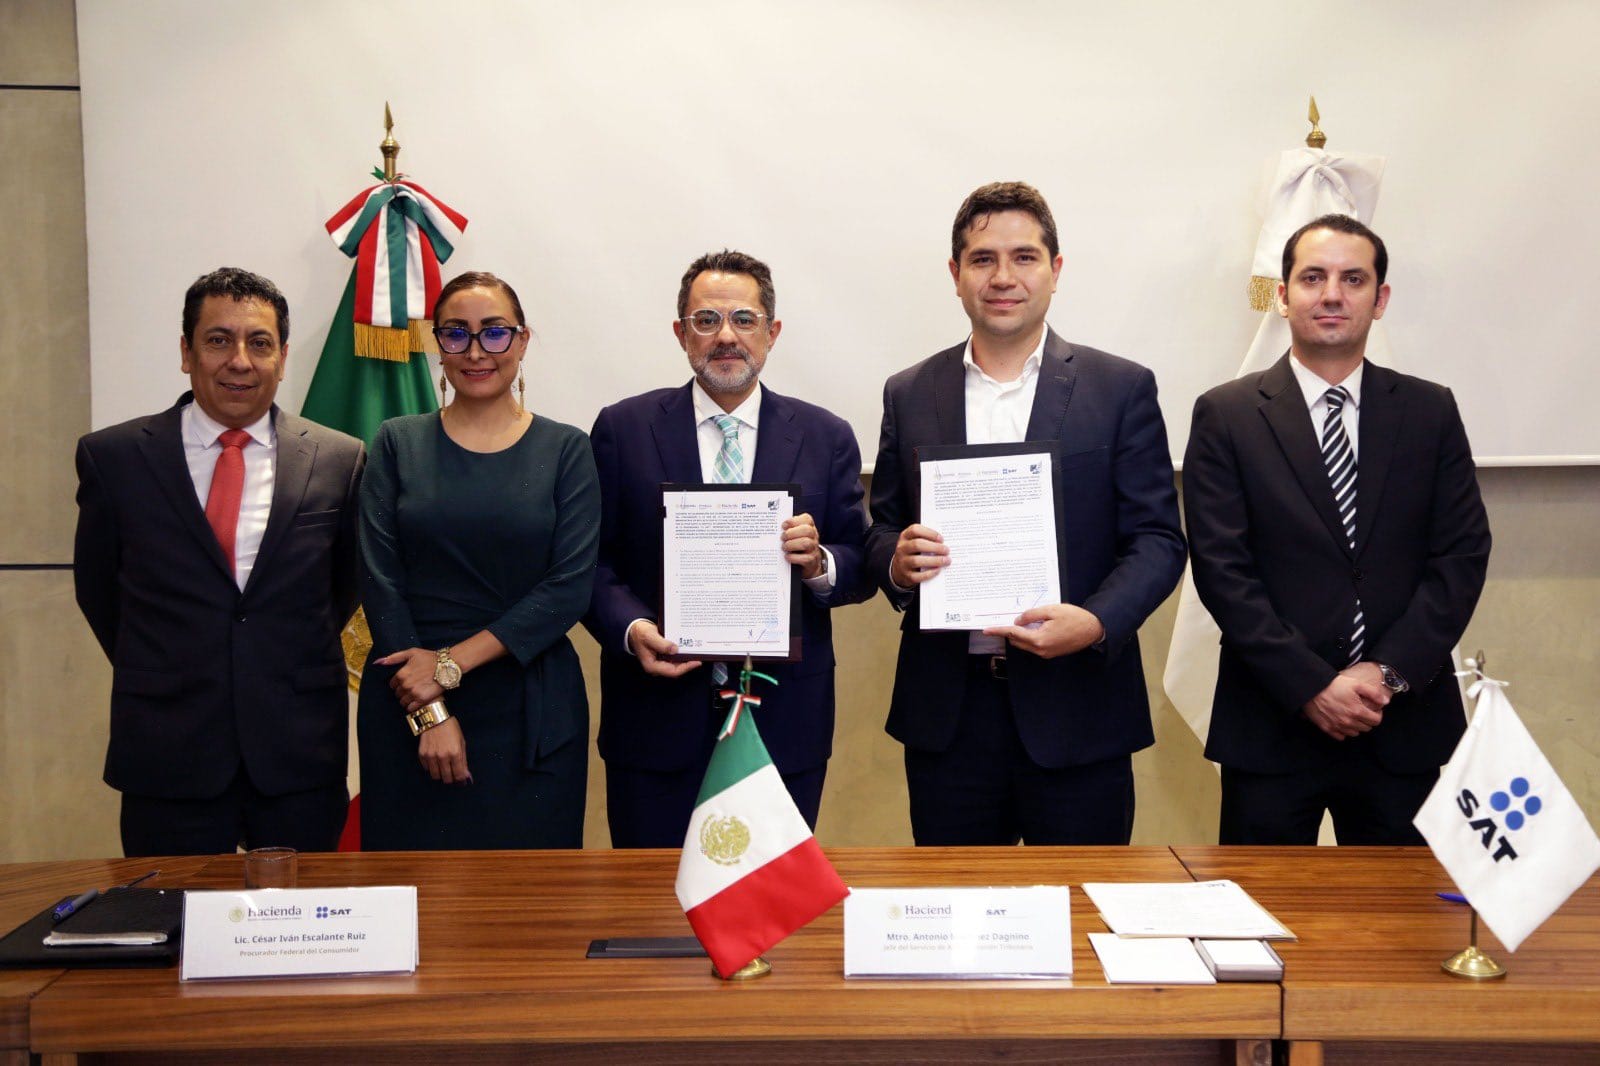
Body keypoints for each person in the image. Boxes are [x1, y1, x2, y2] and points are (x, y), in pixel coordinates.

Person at [866, 182, 1186, 846]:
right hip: (951, 717)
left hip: (1080, 709)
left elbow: (1158, 538)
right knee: (958, 904)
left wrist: (1096, 622)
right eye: (982, 259)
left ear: (1055, 270)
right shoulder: (909, 392)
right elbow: (881, 529)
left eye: (1024, 257)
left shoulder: (1120, 388)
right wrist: (896, 562)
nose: (1003, 277)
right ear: (956, 274)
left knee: (1080, 901)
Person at [1183, 214, 1491, 845]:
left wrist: (1387, 674)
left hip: (1399, 723)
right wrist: (1312, 685)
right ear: (1282, 294)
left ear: (1380, 299)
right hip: (1271, 722)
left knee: (1400, 906)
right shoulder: (1227, 414)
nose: (1331, 295)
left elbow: (1461, 556)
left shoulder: (1430, 410)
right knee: (1261, 903)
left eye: (1353, 279)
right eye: (1312, 277)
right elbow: (1222, 569)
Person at [585, 249, 874, 847]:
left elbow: (859, 561)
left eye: (744, 319)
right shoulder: (623, 429)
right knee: (650, 894)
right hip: (655, 722)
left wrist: (818, 563)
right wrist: (633, 629)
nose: (725, 336)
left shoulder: (825, 435)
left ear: (772, 332)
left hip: (785, 724)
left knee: (775, 898)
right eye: (706, 320)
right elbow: (592, 563)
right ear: (680, 333)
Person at [73, 267, 365, 856]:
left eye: (259, 343)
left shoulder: (339, 459)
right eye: (218, 340)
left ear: (283, 356)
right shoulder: (115, 458)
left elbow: (342, 587)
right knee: (170, 913)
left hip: (296, 752)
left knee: (301, 914)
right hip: (167, 750)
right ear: (187, 352)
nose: (240, 361)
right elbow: (100, 592)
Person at [357, 271, 599, 849]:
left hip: (531, 705)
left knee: (529, 894)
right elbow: (379, 579)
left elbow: (569, 587)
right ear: (436, 343)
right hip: (409, 700)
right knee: (413, 890)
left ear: (522, 340)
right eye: (455, 333)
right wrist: (431, 710)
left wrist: (447, 667)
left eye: (494, 332)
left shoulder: (567, 448)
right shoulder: (396, 441)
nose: (474, 351)